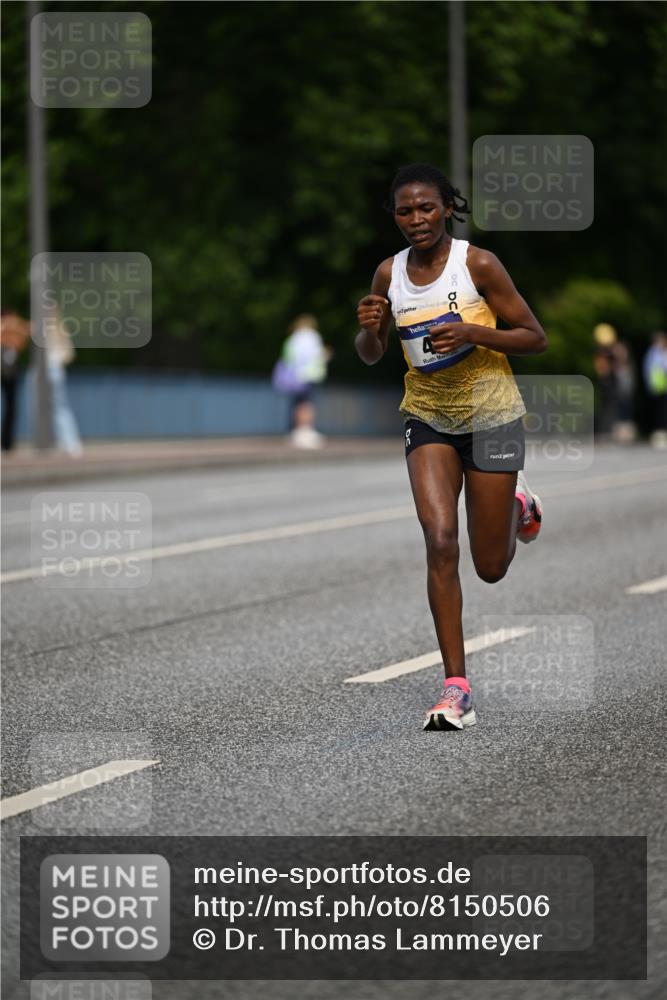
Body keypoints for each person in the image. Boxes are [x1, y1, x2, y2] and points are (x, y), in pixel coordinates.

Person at [355, 163, 547, 732]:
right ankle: (456, 686)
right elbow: (371, 353)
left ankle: (518, 509)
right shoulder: (388, 273)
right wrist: (369, 328)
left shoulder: (477, 264)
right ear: (394, 216)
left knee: (489, 566)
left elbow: (535, 337)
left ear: (447, 209)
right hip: (427, 417)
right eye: (405, 210)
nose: (416, 219)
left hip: (492, 415)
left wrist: (473, 332)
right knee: (440, 541)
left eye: (427, 208)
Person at [275, 314, 331, 449]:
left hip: (294, 376)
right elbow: (316, 356)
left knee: (297, 403)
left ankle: (295, 431)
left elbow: (287, 358)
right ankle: (305, 431)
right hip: (308, 375)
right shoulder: (312, 337)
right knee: (307, 403)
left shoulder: (292, 339)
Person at [44, 304, 82, 456]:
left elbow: (69, 353)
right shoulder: (55, 328)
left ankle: (70, 443)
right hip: (52, 370)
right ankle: (64, 442)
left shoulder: (54, 329)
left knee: (58, 407)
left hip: (52, 369)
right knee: (56, 408)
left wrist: (55, 359)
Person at [1, 309, 30, 451]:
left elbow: (27, 331)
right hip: (4, 372)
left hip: (10, 374)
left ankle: (7, 443)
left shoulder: (15, 337)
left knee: (11, 408)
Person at [642, 331, 667, 448]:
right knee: (660, 411)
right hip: (658, 386)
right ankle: (659, 435)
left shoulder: (654, 352)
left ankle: (659, 434)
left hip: (659, 385)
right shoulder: (655, 353)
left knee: (660, 411)